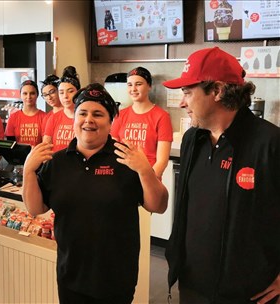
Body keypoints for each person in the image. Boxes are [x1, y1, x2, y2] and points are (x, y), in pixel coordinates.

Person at [23, 83, 168, 303]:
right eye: (82, 113)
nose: (88, 120)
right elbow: (35, 208)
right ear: (74, 119)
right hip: (70, 275)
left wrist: (145, 170)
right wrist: (28, 171)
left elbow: (159, 205)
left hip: (116, 279)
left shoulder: (126, 159)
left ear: (111, 122)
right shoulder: (57, 162)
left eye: (98, 114)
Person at [163, 46, 280, 303]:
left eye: (187, 92)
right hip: (192, 285)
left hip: (247, 292)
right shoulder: (192, 138)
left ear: (216, 90)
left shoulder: (269, 143)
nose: (182, 102)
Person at [110, 67, 173, 179]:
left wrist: (149, 181)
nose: (133, 89)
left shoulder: (162, 116)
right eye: (129, 85)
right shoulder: (120, 115)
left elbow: (162, 161)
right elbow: (112, 149)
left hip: (149, 178)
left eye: (138, 84)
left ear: (149, 86)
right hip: (122, 178)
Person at [43, 66, 80, 152]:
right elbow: (45, 149)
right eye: (61, 92)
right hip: (56, 164)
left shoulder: (84, 119)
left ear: (78, 92)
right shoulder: (53, 118)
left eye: (70, 91)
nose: (65, 96)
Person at [5, 79, 47, 146]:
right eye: (25, 93)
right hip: (18, 156)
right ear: (20, 95)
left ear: (37, 95)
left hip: (38, 155)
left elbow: (45, 144)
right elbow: (10, 144)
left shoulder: (45, 117)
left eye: (32, 93)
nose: (28, 97)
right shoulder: (13, 117)